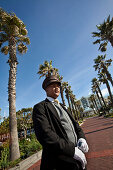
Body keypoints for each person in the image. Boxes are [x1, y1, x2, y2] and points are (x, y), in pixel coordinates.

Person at [32, 75, 89, 170]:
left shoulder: (63, 106)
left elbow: (75, 125)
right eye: (53, 85)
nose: (57, 88)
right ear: (46, 90)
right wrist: (71, 151)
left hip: (77, 157)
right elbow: (45, 135)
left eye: (58, 85)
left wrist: (82, 138)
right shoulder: (40, 107)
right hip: (59, 162)